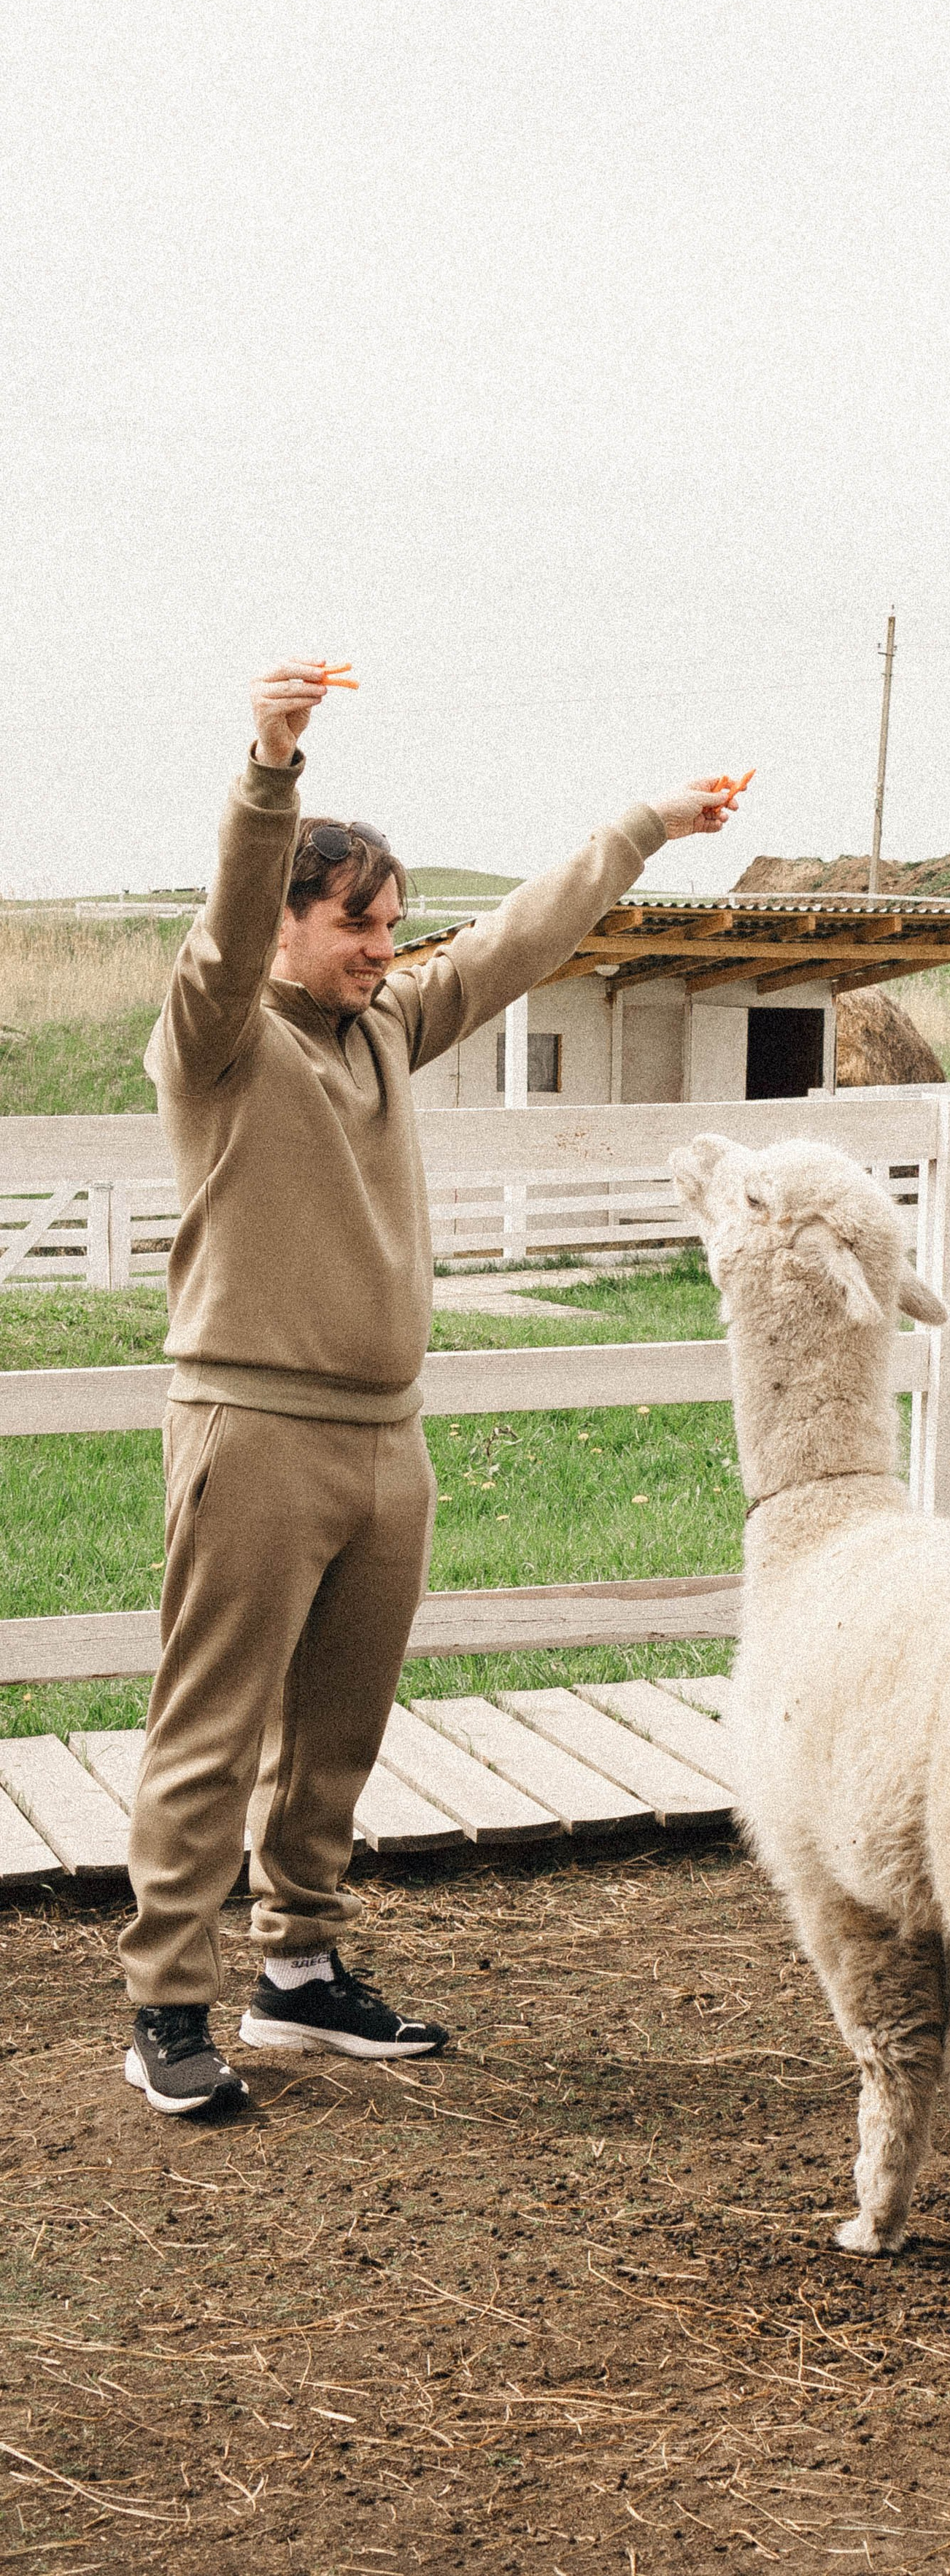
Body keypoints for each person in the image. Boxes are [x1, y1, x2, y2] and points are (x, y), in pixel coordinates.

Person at [121, 660, 732, 2114]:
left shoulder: (389, 1026)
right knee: (212, 1730)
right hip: (253, 1432)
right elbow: (225, 924)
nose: (382, 951)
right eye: (356, 925)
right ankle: (165, 2007)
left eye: (393, 927)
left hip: (385, 1442)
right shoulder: (216, 1038)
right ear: (285, 921)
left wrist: (645, 826)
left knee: (337, 1736)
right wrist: (271, 768)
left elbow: (520, 941)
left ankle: (296, 1976)